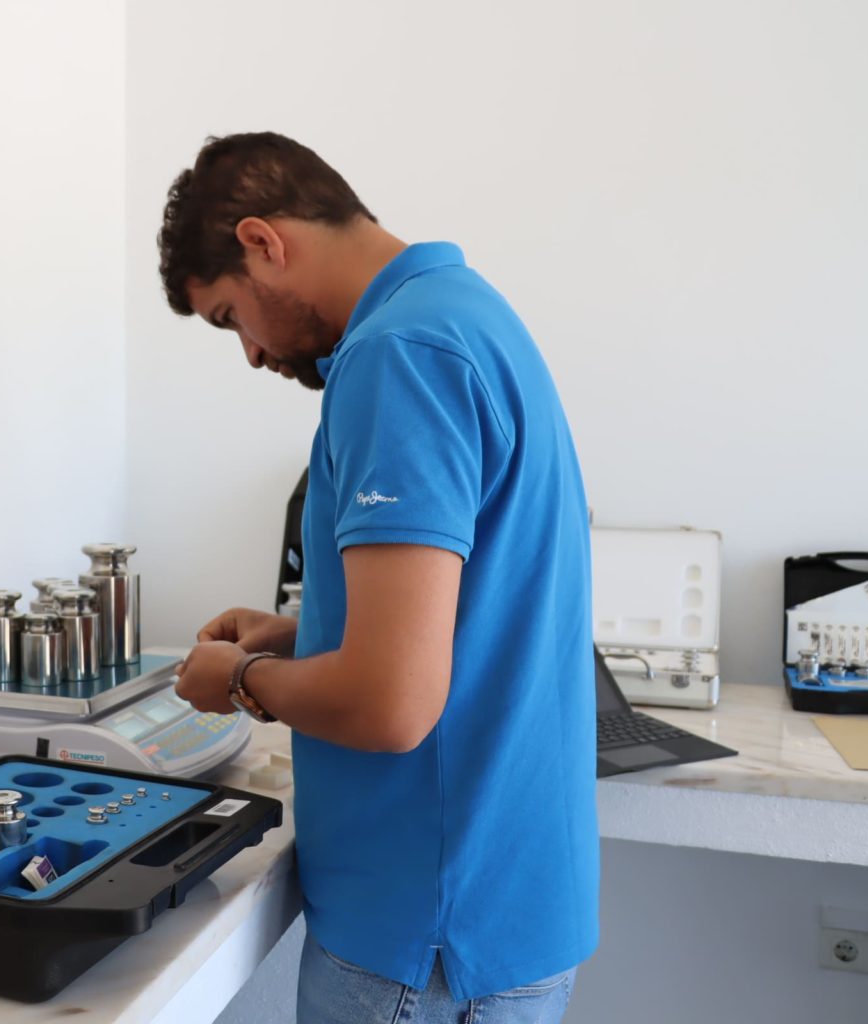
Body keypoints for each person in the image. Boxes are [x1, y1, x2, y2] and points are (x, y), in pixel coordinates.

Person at [159, 132, 598, 1023]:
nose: (250, 354)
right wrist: (307, 634)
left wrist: (240, 678)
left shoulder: (397, 356)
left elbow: (391, 704)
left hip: (426, 934)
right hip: (502, 905)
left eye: (230, 316)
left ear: (263, 242)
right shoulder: (464, 312)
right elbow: (476, 612)